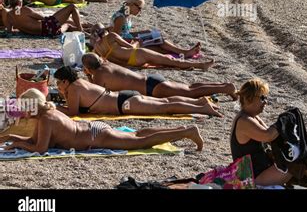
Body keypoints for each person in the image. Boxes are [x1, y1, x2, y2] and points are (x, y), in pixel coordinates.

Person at [0, 88, 204, 153]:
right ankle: (181, 128)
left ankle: (186, 132)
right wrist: (9, 136)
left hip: (96, 136)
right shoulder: (48, 114)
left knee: (138, 142)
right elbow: (34, 141)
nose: (23, 112)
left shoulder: (45, 120)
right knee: (137, 134)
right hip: (95, 130)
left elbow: (40, 148)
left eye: (25, 107)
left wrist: (16, 143)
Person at [53, 66, 222, 117]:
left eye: (58, 83)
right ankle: (199, 102)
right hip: (125, 97)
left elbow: (73, 113)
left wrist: (53, 106)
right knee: (166, 102)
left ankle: (201, 107)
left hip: (124, 104)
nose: (58, 86)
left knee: (166, 107)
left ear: (65, 81)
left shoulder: (74, 89)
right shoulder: (80, 82)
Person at [82, 53, 237, 100]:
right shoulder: (107, 64)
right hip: (151, 80)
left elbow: (95, 93)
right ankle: (223, 85)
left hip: (152, 89)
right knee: (189, 88)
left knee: (190, 93)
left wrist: (88, 77)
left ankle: (226, 87)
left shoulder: (98, 75)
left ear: (88, 68)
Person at [90, 24, 214, 70]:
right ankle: (201, 65)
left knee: (165, 60)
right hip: (137, 55)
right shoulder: (111, 36)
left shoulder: (97, 48)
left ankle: (187, 54)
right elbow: (131, 47)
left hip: (130, 64)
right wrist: (137, 42)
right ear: (104, 30)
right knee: (170, 61)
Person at [110, 0, 201, 58]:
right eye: (139, 8)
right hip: (125, 44)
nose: (140, 11)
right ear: (132, 5)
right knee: (158, 44)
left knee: (154, 35)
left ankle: (183, 52)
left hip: (128, 39)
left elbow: (124, 32)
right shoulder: (121, 18)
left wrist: (140, 34)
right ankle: (184, 52)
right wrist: (134, 40)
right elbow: (115, 38)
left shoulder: (125, 14)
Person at [0, 0, 84, 37]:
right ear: (20, 2)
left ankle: (86, 30)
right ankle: (81, 31)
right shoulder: (24, 9)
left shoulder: (9, 16)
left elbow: (10, 31)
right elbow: (43, 18)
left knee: (68, 25)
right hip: (48, 27)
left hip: (45, 33)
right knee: (72, 7)